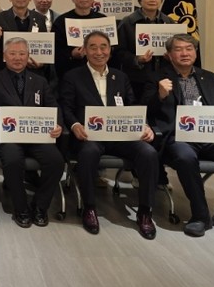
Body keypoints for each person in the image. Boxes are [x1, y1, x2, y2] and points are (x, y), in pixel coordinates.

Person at [59, 31, 158, 239]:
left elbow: (132, 106)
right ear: (84, 51)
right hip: (89, 135)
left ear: (110, 51)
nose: (99, 52)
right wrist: (75, 125)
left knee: (148, 153)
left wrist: (145, 125)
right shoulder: (72, 77)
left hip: (121, 135)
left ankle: (145, 212)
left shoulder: (120, 76)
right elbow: (66, 108)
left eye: (103, 47)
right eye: (93, 47)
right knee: (88, 153)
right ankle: (89, 208)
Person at [143, 33, 214, 237]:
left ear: (195, 52)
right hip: (179, 137)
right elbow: (145, 111)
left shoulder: (210, 77)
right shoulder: (156, 77)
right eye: (178, 49)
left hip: (211, 136)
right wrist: (159, 95)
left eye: (189, 49)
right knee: (185, 157)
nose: (185, 53)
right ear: (169, 54)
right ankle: (200, 216)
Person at [0, 37, 64, 227]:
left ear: (28, 56)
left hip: (37, 136)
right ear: (4, 56)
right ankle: (21, 208)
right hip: (7, 136)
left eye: (22, 54)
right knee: (13, 160)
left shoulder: (40, 81)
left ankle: (40, 206)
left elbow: (54, 107)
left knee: (56, 161)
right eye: (12, 53)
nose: (17, 58)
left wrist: (58, 124)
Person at [116, 0, 175, 100]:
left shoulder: (169, 22)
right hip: (136, 79)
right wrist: (137, 59)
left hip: (163, 78)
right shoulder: (128, 22)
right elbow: (118, 52)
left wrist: (171, 56)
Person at [52, 0, 107, 80]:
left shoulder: (103, 20)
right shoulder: (61, 21)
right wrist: (71, 54)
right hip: (70, 73)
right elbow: (55, 50)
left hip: (99, 72)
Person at [0, 0, 47, 73]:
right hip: (6, 72)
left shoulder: (40, 18)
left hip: (32, 72)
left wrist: (41, 63)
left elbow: (44, 45)